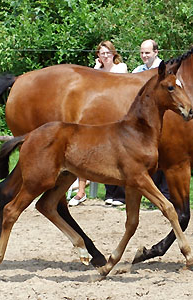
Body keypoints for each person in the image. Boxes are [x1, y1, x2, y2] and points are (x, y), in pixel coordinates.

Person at [69, 40, 128, 207]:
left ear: (113, 53)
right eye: (102, 53)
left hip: (119, 112)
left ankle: (121, 195)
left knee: (120, 153)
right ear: (98, 56)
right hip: (102, 116)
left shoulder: (120, 68)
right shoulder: (98, 70)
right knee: (106, 153)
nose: (105, 56)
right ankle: (110, 193)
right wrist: (96, 68)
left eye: (108, 53)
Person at [131, 39, 171, 202]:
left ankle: (166, 195)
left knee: (164, 155)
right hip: (147, 121)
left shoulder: (165, 70)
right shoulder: (138, 71)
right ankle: (154, 196)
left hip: (165, 119)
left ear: (156, 52)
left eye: (147, 52)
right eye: (141, 53)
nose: (144, 56)